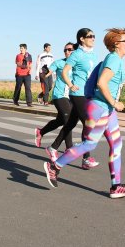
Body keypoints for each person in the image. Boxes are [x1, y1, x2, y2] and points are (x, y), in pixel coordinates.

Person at [44, 28, 125, 199]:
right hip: (100, 108)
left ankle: (116, 186)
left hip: (105, 110)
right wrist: (114, 102)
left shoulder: (113, 59)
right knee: (89, 144)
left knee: (116, 144)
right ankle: (55, 166)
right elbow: (102, 83)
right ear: (117, 44)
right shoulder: (114, 60)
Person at [45, 28, 99, 169]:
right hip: (78, 93)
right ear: (82, 38)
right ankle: (86, 158)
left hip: (88, 93)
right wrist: (70, 84)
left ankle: (53, 147)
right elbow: (64, 71)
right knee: (88, 124)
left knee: (70, 124)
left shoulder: (94, 55)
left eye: (94, 36)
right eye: (90, 36)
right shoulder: (77, 55)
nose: (93, 38)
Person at [34, 43, 74, 150]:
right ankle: (69, 148)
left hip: (70, 97)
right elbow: (49, 71)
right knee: (68, 120)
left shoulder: (77, 66)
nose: (67, 52)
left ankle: (40, 132)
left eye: (69, 50)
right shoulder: (59, 63)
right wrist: (44, 72)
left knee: (59, 121)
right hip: (59, 96)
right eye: (65, 50)